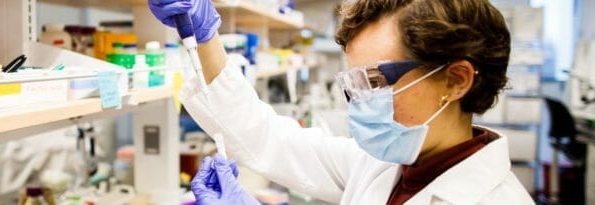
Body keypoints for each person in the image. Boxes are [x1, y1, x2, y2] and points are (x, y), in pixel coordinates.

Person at [148, 0, 535, 204]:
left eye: (378, 80)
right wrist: (204, 34)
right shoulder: (386, 165)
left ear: (456, 80)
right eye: (355, 82)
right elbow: (265, 138)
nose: (361, 102)